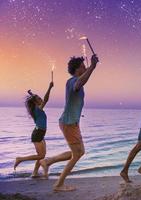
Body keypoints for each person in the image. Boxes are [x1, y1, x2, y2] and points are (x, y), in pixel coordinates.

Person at [39, 55, 99, 191]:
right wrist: (93, 67)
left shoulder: (73, 81)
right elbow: (79, 84)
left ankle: (47, 161)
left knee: (78, 152)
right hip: (69, 124)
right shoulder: (73, 81)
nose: (85, 67)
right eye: (83, 66)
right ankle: (59, 184)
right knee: (77, 154)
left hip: (71, 123)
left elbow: (81, 82)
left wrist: (90, 68)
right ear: (78, 69)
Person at [14, 82, 54, 178]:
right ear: (36, 102)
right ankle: (20, 159)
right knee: (41, 156)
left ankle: (35, 173)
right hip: (38, 134)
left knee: (41, 155)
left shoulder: (36, 108)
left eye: (40, 98)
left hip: (40, 133)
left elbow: (37, 99)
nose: (41, 99)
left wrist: (31, 94)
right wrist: (49, 87)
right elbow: (46, 99)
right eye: (39, 99)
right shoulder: (38, 108)